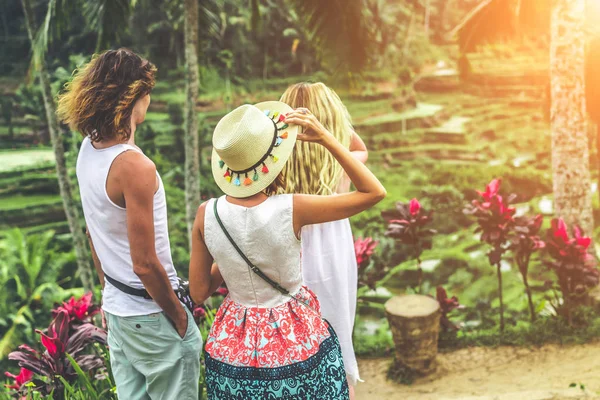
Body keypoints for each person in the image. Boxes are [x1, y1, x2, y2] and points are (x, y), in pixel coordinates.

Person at [189, 100, 385, 399]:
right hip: (294, 340)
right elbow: (373, 192)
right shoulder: (292, 208)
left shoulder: (207, 213)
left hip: (231, 347)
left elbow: (199, 291)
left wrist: (235, 261)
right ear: (275, 159)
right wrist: (326, 138)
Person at [57, 48, 203, 400]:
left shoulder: (88, 148)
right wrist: (180, 319)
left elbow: (95, 232)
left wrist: (109, 290)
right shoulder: (134, 167)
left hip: (118, 307)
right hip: (152, 314)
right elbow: (145, 263)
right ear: (135, 97)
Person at [279, 82, 367, 395]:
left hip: (291, 255)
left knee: (297, 351)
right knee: (338, 348)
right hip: (333, 258)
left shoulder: (278, 177)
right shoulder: (340, 172)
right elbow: (360, 147)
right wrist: (331, 128)